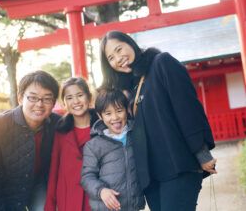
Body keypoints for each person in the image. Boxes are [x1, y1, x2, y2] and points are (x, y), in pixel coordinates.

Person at [99, 30, 217, 211]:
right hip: (151, 177)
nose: (118, 58)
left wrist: (202, 153)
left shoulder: (161, 63)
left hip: (178, 166)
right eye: (111, 57)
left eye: (119, 49)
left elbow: (187, 108)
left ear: (130, 43)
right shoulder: (129, 88)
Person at [0, 70, 60, 211]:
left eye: (47, 99)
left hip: (40, 185)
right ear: (21, 98)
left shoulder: (58, 124)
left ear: (53, 103)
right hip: (8, 190)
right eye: (33, 98)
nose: (40, 104)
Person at [81, 88, 145, 211]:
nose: (115, 117)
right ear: (100, 116)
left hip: (134, 206)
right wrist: (101, 191)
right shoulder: (93, 145)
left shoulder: (137, 134)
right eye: (108, 113)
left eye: (119, 111)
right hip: (106, 208)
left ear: (127, 110)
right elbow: (87, 177)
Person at [44, 77, 98, 211]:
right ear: (64, 103)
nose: (76, 101)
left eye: (80, 95)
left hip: (97, 199)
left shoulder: (102, 127)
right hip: (68, 201)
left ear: (89, 97)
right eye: (69, 98)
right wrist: (49, 206)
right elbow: (54, 171)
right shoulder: (61, 131)